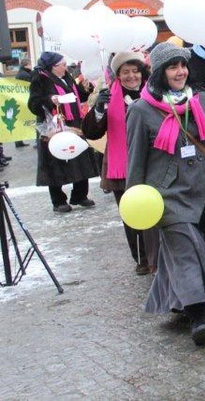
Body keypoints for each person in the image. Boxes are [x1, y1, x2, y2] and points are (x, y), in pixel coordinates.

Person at [126, 42, 205, 346]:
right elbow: (136, 159)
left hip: (204, 189)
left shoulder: (200, 100)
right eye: (172, 66)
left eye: (183, 65)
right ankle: (197, 317)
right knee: (184, 253)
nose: (181, 71)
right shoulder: (141, 110)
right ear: (158, 73)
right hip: (167, 196)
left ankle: (187, 301)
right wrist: (134, 201)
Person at [81, 51, 159, 275]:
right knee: (132, 214)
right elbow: (92, 132)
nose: (132, 76)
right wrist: (98, 109)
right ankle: (141, 257)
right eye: (126, 72)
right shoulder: (109, 97)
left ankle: (158, 254)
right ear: (117, 75)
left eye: (135, 71)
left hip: (152, 161)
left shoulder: (152, 93)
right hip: (121, 166)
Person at [28, 51, 99, 212]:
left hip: (73, 123)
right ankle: (58, 200)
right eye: (63, 65)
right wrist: (50, 100)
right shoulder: (40, 79)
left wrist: (85, 88)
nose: (66, 68)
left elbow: (75, 96)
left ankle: (80, 195)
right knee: (54, 162)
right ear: (53, 67)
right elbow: (33, 104)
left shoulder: (66, 77)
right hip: (54, 126)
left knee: (80, 157)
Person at [15, 58, 32, 148]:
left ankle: (18, 141)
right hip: (24, 99)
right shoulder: (26, 75)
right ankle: (19, 141)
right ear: (26, 65)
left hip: (20, 99)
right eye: (30, 64)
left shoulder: (19, 73)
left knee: (20, 120)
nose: (31, 66)